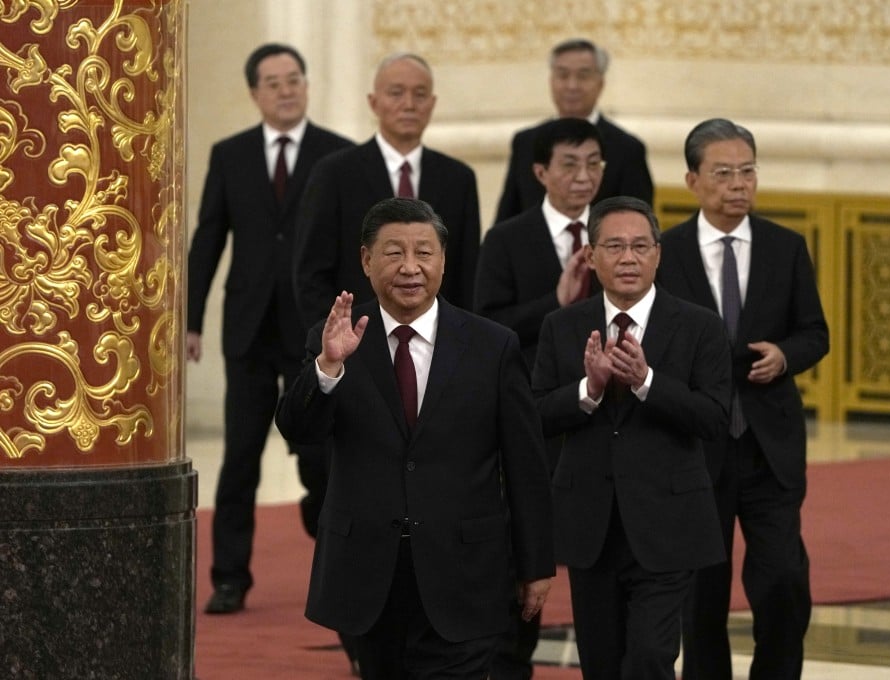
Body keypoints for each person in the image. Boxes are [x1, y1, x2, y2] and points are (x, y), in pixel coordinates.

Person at [275, 198, 556, 680]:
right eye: (394, 253)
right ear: (367, 260)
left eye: (424, 253)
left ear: (443, 260)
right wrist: (328, 367)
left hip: (464, 569)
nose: (410, 267)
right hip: (369, 572)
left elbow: (525, 465)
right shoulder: (334, 338)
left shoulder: (492, 345)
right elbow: (299, 430)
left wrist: (536, 564)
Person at [656, 118, 830, 680]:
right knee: (701, 593)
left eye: (748, 171)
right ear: (692, 180)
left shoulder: (785, 247)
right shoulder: (667, 252)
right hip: (696, 448)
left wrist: (785, 354)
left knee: (783, 580)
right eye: (724, 173)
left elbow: (815, 332)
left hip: (767, 447)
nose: (739, 184)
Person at [531, 196, 731, 679]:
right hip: (591, 525)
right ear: (591, 255)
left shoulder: (700, 326)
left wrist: (647, 382)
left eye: (640, 247)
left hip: (669, 524)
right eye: (615, 246)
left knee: (650, 657)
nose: (628, 258)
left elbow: (714, 418)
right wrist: (589, 389)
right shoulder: (562, 326)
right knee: (601, 664)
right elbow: (534, 417)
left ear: (657, 254)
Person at [186, 43, 353, 616]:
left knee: (321, 456)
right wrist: (191, 320)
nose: (286, 90)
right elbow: (209, 239)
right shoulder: (230, 155)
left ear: (306, 85)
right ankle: (230, 578)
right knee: (241, 458)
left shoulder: (338, 154)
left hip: (314, 332)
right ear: (255, 93)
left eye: (294, 79)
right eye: (274, 82)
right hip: (250, 330)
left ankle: (338, 562)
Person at [474, 117, 603, 679]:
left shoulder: (620, 235)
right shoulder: (507, 239)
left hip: (604, 420)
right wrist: (555, 300)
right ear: (541, 172)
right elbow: (486, 326)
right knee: (523, 558)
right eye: (569, 165)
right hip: (530, 420)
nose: (583, 177)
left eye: (593, 164)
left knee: (599, 561)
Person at [293, 52, 480, 331]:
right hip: (355, 336)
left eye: (419, 94)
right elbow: (311, 274)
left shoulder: (458, 178)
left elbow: (467, 274)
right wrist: (334, 336)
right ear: (373, 102)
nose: (409, 104)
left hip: (438, 341)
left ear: (432, 104)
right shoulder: (335, 173)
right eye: (396, 93)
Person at [494, 38, 653, 223]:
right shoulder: (525, 142)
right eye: (563, 75)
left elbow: (639, 224)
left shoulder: (627, 148)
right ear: (551, 81)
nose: (572, 85)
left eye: (583, 76)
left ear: (601, 83)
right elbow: (506, 220)